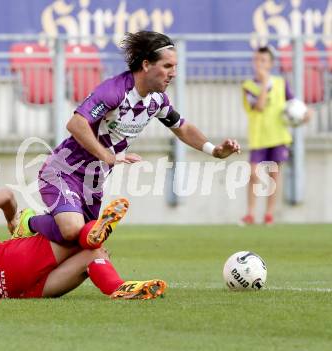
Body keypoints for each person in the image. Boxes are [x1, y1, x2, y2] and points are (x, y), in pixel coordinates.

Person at [14, 30, 240, 244]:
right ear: (146, 65)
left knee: (82, 242)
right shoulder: (115, 91)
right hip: (64, 170)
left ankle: (35, 245)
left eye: (175, 66)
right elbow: (76, 123)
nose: (173, 73)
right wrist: (107, 155)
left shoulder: (157, 100)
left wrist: (215, 150)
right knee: (73, 229)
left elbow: (182, 127)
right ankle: (29, 222)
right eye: (167, 66)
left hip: (94, 180)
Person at [0, 183, 166, 299]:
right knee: (71, 231)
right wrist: (11, 221)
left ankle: (117, 288)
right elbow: (6, 194)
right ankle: (35, 224)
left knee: (94, 255)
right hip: (4, 261)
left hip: (8, 292)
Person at [241, 46, 312, 225]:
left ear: (271, 64)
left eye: (263, 61)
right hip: (258, 137)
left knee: (274, 176)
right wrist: (265, 84)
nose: (259, 64)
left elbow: (292, 104)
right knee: (253, 175)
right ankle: (250, 213)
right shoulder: (248, 86)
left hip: (279, 136)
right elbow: (259, 106)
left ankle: (269, 214)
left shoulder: (280, 82)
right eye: (256, 60)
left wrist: (304, 114)